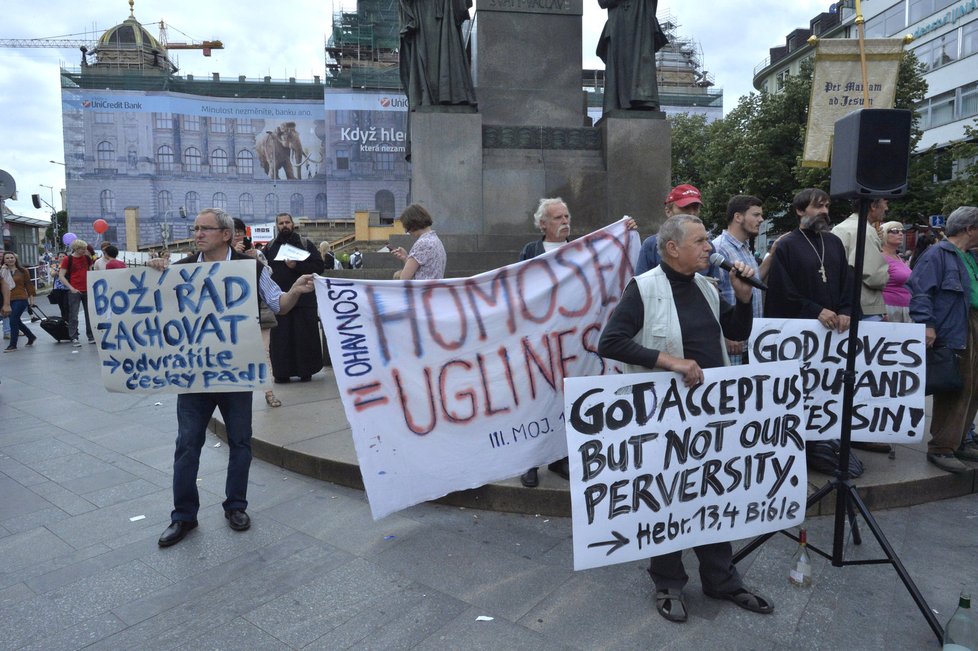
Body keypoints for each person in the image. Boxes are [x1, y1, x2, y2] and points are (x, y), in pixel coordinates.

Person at [598, 214, 772, 623]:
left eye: (707, 242)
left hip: (710, 413)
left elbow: (734, 331)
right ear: (672, 248)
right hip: (666, 416)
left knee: (712, 492)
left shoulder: (707, 287)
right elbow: (611, 342)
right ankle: (668, 581)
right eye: (699, 242)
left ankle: (721, 579)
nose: (709, 248)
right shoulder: (643, 288)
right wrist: (670, 362)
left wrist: (744, 299)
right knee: (670, 496)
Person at [150, 208, 316, 547]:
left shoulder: (253, 269)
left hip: (236, 373)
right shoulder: (180, 270)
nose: (198, 234)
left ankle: (236, 506)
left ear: (226, 234)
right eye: (195, 229)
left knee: (241, 442)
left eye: (205, 229)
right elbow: (151, 304)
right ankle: (183, 516)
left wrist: (296, 289)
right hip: (195, 375)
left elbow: (279, 305)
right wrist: (154, 273)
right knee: (186, 446)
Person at [908, 206, 978, 474]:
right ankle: (942, 447)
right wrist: (927, 324)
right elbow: (921, 291)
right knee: (955, 387)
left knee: (973, 387)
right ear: (969, 229)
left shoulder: (968, 255)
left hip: (970, 321)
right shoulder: (938, 254)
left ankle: (960, 441)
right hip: (955, 327)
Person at [518, 198, 573, 488]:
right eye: (557, 218)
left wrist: (626, 231)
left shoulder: (582, 250)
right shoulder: (530, 251)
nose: (564, 221)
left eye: (566, 216)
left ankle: (559, 457)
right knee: (535, 400)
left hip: (570, 338)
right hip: (538, 337)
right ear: (543, 224)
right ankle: (530, 461)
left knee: (562, 399)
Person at [763, 188, 852, 332]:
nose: (825, 211)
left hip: (837, 329)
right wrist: (816, 311)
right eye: (818, 206)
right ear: (800, 210)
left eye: (826, 206)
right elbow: (782, 292)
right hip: (801, 330)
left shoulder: (834, 242)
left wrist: (845, 310)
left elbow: (846, 282)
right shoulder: (787, 245)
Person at [264, 213, 326, 383]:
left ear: (293, 224)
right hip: (279, 301)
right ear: (277, 226)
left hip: (304, 301)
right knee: (281, 339)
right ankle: (282, 373)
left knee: (304, 337)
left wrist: (297, 265)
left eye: (287, 222)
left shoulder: (305, 244)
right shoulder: (270, 247)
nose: (284, 225)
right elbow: (261, 269)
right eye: (281, 223)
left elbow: (319, 267)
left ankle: (306, 371)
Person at [232, 218, 281, 409]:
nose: (237, 235)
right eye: (233, 231)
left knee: (264, 353)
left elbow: (268, 274)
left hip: (259, 311)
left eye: (240, 231)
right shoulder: (224, 256)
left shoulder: (257, 253)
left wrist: (254, 259)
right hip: (235, 314)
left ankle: (269, 392)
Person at [711, 195, 764, 364]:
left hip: (751, 343)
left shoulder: (746, 249)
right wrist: (724, 336)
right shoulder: (719, 249)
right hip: (732, 345)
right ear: (738, 217)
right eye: (755, 215)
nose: (761, 220)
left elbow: (752, 286)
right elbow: (711, 297)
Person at [398, 0, 477, 109]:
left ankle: (451, 95)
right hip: (424, 12)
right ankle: (428, 96)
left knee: (448, 48)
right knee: (426, 53)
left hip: (445, 9)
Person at [596, 0, 667, 112]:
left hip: (641, 21)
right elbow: (603, 2)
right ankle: (619, 103)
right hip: (620, 25)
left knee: (642, 62)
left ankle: (644, 100)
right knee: (620, 65)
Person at [831, 199, 890, 321]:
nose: (886, 208)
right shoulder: (865, 230)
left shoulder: (839, 228)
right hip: (864, 305)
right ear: (873, 206)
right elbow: (874, 276)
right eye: (886, 203)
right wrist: (886, 276)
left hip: (842, 303)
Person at [636, 184, 707, 276]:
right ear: (668, 211)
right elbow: (641, 285)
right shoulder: (651, 245)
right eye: (685, 207)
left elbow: (719, 286)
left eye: (696, 208)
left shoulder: (707, 247)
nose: (691, 213)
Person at [391, 204, 447, 280]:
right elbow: (424, 269)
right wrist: (405, 258)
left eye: (406, 227)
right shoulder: (436, 240)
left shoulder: (422, 243)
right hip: (434, 290)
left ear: (412, 224)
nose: (406, 231)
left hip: (421, 291)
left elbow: (404, 278)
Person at [59, 238, 95, 347]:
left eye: (85, 248)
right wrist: (71, 288)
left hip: (87, 289)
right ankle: (74, 337)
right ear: (76, 248)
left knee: (90, 315)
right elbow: (61, 275)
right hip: (74, 290)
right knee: (73, 315)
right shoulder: (68, 259)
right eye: (82, 249)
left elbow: (90, 272)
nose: (84, 250)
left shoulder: (87, 258)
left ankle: (91, 336)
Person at [2, 252, 37, 352]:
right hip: (7, 300)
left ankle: (13, 345)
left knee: (13, 320)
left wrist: (32, 300)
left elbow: (29, 285)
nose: (10, 259)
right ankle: (31, 336)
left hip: (20, 298)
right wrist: (3, 270)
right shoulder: (3, 271)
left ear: (15, 259)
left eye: (12, 257)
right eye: (7, 258)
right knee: (17, 321)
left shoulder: (22, 271)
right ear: (4, 260)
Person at [880, 221, 912, 323]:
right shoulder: (880, 257)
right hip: (889, 310)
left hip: (905, 308)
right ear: (884, 234)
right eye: (894, 231)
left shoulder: (899, 258)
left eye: (902, 231)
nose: (900, 233)